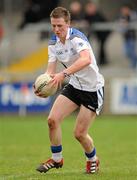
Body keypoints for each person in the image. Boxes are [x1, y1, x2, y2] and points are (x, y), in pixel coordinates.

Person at [34, 7, 104, 174]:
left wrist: (63, 73)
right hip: (75, 85)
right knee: (52, 120)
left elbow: (86, 59)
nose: (57, 30)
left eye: (60, 26)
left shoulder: (77, 38)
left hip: (92, 89)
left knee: (79, 134)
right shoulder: (53, 43)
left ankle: (92, 159)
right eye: (53, 26)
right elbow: (50, 71)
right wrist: (42, 85)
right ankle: (57, 159)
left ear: (68, 23)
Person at [84, 1, 111, 65]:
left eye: (90, 8)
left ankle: (102, 60)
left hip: (103, 33)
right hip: (96, 33)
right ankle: (99, 60)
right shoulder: (87, 15)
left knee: (101, 46)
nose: (88, 10)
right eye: (87, 8)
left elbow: (94, 23)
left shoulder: (97, 15)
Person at [119, 4, 137, 69]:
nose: (123, 11)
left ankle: (134, 65)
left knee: (131, 51)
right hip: (125, 37)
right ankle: (134, 63)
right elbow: (120, 27)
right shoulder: (122, 17)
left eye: (125, 9)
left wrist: (128, 24)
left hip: (132, 37)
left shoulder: (133, 15)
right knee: (127, 53)